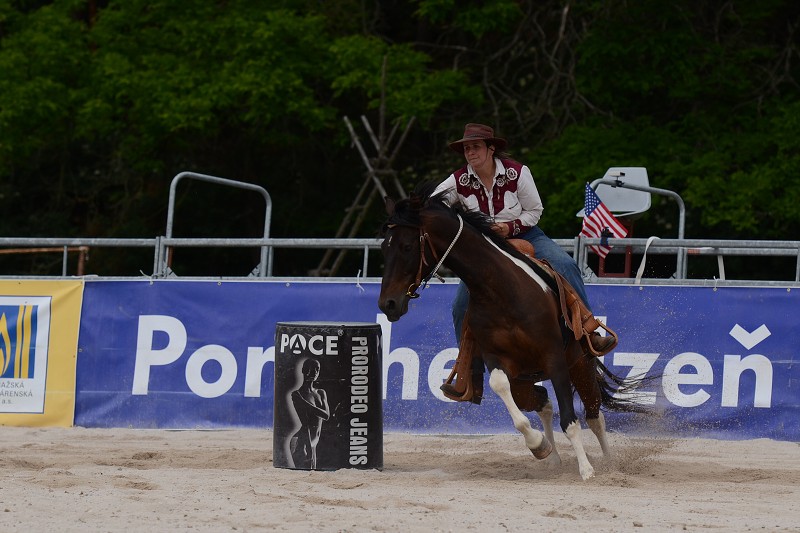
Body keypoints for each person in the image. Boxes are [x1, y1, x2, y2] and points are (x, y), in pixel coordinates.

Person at [433, 123, 615, 399]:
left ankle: (588, 333)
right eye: (467, 148)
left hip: (526, 234)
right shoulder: (457, 180)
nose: (470, 152)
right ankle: (470, 372)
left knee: (564, 265)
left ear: (490, 148)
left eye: (476, 147)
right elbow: (434, 203)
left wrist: (509, 228)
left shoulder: (517, 173)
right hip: (487, 249)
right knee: (460, 305)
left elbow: (535, 210)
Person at [289, 358, 330, 469]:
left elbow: (326, 415)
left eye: (317, 369)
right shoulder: (297, 394)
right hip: (301, 441)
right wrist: (309, 448)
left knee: (310, 472)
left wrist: (303, 403)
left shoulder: (321, 393)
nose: (314, 372)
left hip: (313, 441)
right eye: (311, 368)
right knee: (303, 473)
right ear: (303, 370)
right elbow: (305, 422)